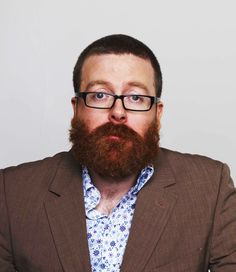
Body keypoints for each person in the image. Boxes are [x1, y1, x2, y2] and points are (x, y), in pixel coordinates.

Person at [0, 34, 235, 272]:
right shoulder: (10, 193)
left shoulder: (211, 189)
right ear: (76, 108)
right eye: (100, 95)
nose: (118, 112)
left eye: (136, 97)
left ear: (158, 113)